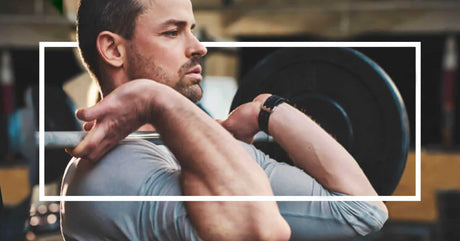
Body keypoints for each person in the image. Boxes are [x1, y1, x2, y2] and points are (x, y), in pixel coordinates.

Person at [60, 0, 388, 240]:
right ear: (113, 50)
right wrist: (154, 97)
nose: (199, 47)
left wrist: (270, 110)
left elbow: (363, 211)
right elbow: (263, 231)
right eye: (172, 32)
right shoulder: (110, 178)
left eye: (192, 30)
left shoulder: (208, 144)